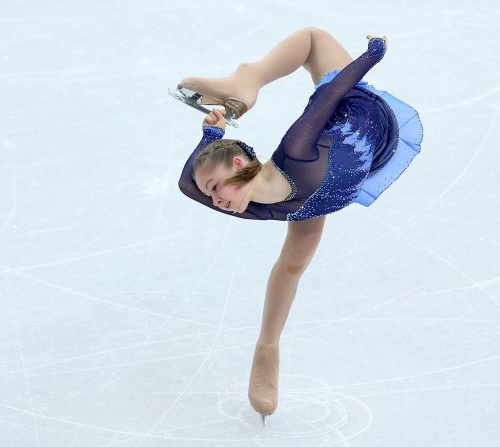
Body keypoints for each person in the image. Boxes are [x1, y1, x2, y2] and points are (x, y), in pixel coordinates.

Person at [174, 28, 423, 425]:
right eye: (212, 194)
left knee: (311, 40)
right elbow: (188, 185)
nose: (215, 201)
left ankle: (247, 79)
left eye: (216, 187)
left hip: (357, 110)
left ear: (239, 165)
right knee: (292, 266)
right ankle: (267, 349)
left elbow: (330, 95)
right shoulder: (252, 206)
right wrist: (210, 136)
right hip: (323, 190)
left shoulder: (297, 151)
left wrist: (371, 55)